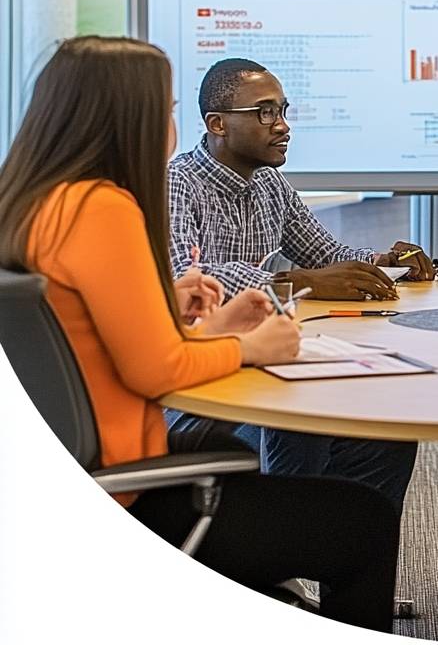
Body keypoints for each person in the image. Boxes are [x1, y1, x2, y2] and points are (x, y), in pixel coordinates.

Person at [0, 37, 400, 631]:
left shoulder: (38, 204)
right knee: (363, 522)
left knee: (249, 455)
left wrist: (208, 326)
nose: (169, 125)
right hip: (124, 485)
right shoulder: (104, 211)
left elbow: (102, 340)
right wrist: (250, 346)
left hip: (66, 469)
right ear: (126, 117)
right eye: (163, 110)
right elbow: (153, 371)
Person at [165, 57, 421, 507]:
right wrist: (293, 280)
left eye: (283, 110)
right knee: (300, 416)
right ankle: (283, 544)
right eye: (265, 112)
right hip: (204, 382)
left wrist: (384, 261)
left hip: (270, 363)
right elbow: (185, 278)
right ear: (217, 124)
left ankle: (341, 558)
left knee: (389, 433)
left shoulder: (271, 185)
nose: (282, 125)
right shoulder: (177, 183)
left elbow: (327, 255)